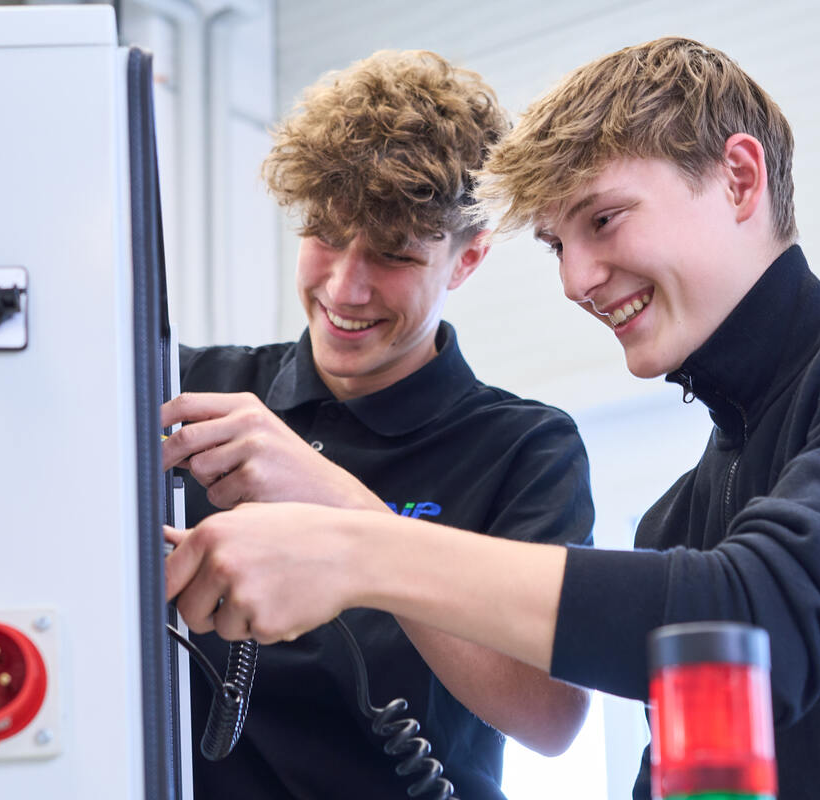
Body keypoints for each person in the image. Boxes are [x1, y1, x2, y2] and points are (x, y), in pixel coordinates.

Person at [166, 37, 820, 799]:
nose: (578, 279)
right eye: (555, 245)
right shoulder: (680, 520)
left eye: (602, 220)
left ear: (738, 178)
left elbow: (755, 622)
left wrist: (358, 550)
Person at [161, 50, 594, 800]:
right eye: (325, 235)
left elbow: (550, 718)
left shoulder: (522, 449)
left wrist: (348, 511)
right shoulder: (190, 391)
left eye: (393, 254)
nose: (344, 286)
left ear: (466, 260)